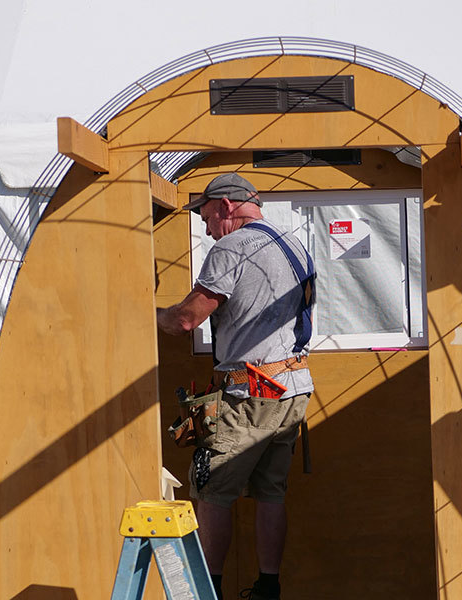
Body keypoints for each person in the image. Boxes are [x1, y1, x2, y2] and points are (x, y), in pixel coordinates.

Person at [157, 172, 315, 600]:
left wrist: (148, 312)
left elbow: (187, 319)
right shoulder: (293, 241)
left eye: (206, 216)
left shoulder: (232, 247)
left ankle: (211, 590)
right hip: (292, 387)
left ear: (226, 206)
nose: (206, 228)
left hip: (251, 394)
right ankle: (268, 587)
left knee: (211, 488)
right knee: (270, 492)